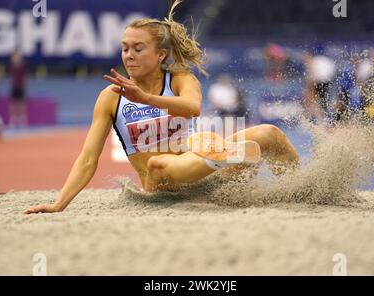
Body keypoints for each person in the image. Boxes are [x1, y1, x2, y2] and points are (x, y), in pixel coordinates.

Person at [24, 0, 300, 214]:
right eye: (124, 48)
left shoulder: (180, 79)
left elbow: (192, 108)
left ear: (160, 55)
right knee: (157, 161)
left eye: (138, 48)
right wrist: (59, 203)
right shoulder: (111, 96)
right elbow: (87, 159)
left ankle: (302, 191)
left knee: (269, 133)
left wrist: (148, 99)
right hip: (163, 188)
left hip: (202, 176)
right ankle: (220, 155)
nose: (129, 55)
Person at [8, 51, 28, 127]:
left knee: (22, 103)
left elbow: (25, 76)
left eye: (17, 57)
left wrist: (23, 83)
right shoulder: (11, 66)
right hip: (14, 87)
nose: (16, 58)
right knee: (13, 103)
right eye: (14, 57)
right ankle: (13, 119)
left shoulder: (23, 66)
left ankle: (23, 119)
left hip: (21, 87)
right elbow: (11, 76)